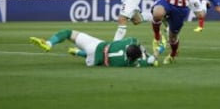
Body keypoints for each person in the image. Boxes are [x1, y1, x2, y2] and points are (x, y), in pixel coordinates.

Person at [29, 29, 158, 67]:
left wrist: (146, 51)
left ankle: (49, 43)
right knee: (100, 58)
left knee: (68, 33)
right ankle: (77, 52)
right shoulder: (130, 63)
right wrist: (156, 54)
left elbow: (137, 43)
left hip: (97, 45)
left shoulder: (131, 40)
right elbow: (151, 61)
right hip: (93, 60)